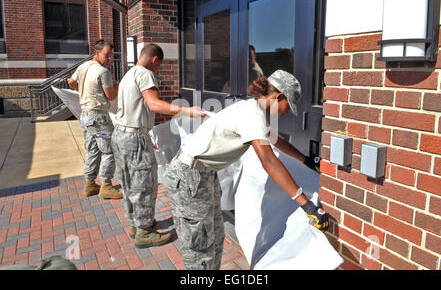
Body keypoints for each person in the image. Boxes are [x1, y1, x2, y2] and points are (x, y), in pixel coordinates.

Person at [165, 70, 329, 270]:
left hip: (204, 176)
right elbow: (268, 161)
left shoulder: (252, 109)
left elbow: (274, 138)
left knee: (215, 238)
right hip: (189, 177)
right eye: (288, 106)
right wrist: (307, 206)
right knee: (200, 250)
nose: (287, 113)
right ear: (279, 97)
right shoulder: (252, 114)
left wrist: (306, 160)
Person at [111, 43, 206, 249]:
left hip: (121, 135)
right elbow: (154, 104)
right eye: (160, 66)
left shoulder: (128, 75)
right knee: (144, 183)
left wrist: (145, 133)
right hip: (134, 137)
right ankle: (144, 232)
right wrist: (187, 111)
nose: (158, 70)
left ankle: (137, 224)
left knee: (129, 181)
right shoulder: (145, 73)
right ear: (155, 60)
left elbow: (134, 108)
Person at [68, 39, 122, 199]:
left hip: (86, 116)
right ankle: (106, 186)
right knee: (110, 149)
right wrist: (117, 86)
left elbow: (71, 82)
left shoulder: (83, 66)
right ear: (97, 53)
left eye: (111, 55)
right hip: (99, 118)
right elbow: (111, 96)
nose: (109, 58)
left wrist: (83, 91)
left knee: (93, 150)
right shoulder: (103, 72)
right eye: (107, 55)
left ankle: (90, 184)